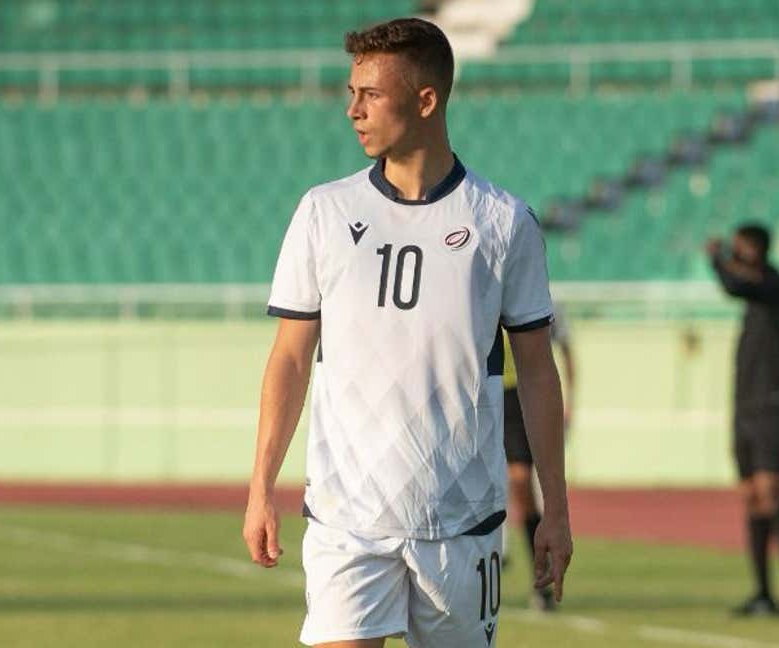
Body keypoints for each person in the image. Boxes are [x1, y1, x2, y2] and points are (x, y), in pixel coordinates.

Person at [243, 18, 572, 648]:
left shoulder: (503, 222)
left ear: (426, 101)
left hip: (462, 524)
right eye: (350, 92)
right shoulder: (324, 211)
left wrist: (554, 509)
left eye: (369, 94)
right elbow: (289, 357)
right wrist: (261, 487)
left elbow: (536, 370)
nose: (352, 110)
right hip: (348, 520)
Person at [706, 223, 779, 618]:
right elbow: (740, 284)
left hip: (775, 404)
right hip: (745, 406)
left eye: (742, 250)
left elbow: (737, 284)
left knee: (772, 493)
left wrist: (717, 260)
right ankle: (763, 594)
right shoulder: (756, 294)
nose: (738, 256)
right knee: (751, 498)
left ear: (758, 250)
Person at [500, 305, 575, 611]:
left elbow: (566, 351)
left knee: (520, 483)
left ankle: (540, 574)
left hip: (519, 398)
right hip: (484, 393)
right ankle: (492, 561)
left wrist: (571, 398)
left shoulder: (546, 302)